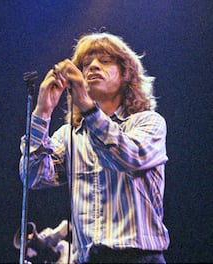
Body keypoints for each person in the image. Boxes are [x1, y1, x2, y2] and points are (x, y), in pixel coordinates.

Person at [19, 32, 169, 263]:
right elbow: (33, 176)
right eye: (86, 65)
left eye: (105, 61)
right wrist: (42, 113)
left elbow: (127, 157)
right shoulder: (70, 135)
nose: (93, 67)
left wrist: (88, 108)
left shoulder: (147, 122)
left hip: (138, 257)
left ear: (126, 73)